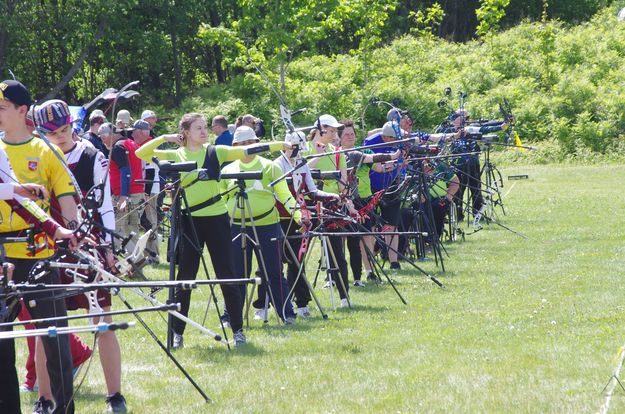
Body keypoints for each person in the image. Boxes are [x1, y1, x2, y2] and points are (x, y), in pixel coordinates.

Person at [135, 113, 289, 347]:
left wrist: (280, 145)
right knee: (184, 278)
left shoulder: (215, 151)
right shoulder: (176, 154)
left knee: (227, 274)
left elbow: (246, 151)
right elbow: (141, 154)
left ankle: (237, 330)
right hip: (189, 221)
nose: (204, 131)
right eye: (198, 128)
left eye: (205, 127)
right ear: (185, 132)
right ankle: (177, 333)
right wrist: (165, 137)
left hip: (217, 220)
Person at [33, 99, 126, 412]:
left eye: (64, 129)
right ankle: (44, 398)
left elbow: (106, 205)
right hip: (49, 248)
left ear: (72, 125)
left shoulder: (91, 154)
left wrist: (109, 247)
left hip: (89, 245)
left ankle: (115, 395)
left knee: (103, 320)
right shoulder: (38, 157)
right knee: (47, 328)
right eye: (52, 132)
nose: (60, 136)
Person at [0, 79, 79, 414]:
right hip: (3, 258)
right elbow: (14, 196)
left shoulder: (47, 150)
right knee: (3, 347)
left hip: (40, 256)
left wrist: (70, 229)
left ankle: (64, 410)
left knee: (56, 342)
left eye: (2, 108)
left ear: (22, 111)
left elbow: (67, 200)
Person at [221, 126, 300, 323]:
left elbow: (284, 194)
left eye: (251, 143)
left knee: (273, 272)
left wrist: (299, 216)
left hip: (267, 225)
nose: (248, 147)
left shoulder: (270, 166)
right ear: (235, 146)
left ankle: (286, 314)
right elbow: (221, 200)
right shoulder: (227, 170)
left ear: (257, 143)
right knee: (237, 274)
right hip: (236, 226)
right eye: (242, 144)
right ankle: (231, 316)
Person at [274, 131, 339, 316]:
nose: (298, 154)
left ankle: (301, 303)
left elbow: (312, 191)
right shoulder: (276, 165)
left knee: (297, 262)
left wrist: (330, 197)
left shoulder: (302, 164)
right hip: (278, 220)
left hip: (301, 221)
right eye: (295, 149)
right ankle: (266, 304)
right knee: (274, 264)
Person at [339, 120, 400, 284]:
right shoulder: (335, 154)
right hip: (343, 200)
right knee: (341, 239)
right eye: (346, 134)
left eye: (352, 134)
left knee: (367, 236)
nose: (350, 137)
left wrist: (396, 164)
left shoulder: (364, 150)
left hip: (364, 200)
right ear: (339, 137)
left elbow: (380, 168)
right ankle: (337, 273)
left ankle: (369, 271)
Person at [306, 114, 357, 307]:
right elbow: (297, 172)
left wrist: (347, 203)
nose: (335, 133)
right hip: (308, 205)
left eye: (336, 130)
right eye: (332, 130)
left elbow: (343, 184)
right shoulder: (303, 149)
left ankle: (344, 296)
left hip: (331, 205)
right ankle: (301, 302)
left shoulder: (337, 153)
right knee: (299, 254)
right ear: (321, 129)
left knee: (337, 252)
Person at [364, 121, 407, 270]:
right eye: (388, 138)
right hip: (372, 186)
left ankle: (394, 261)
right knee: (372, 225)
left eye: (394, 139)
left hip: (392, 185)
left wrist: (398, 166)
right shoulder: (370, 142)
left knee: (391, 224)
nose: (391, 141)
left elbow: (402, 161)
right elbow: (367, 161)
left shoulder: (400, 141)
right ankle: (371, 260)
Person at [99, 122, 145, 258]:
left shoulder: (118, 147)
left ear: (111, 134)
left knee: (118, 229)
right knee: (132, 229)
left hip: (126, 194)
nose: (102, 140)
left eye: (103, 136)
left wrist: (123, 196)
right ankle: (137, 260)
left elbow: (126, 172)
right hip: (137, 192)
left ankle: (132, 261)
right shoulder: (130, 143)